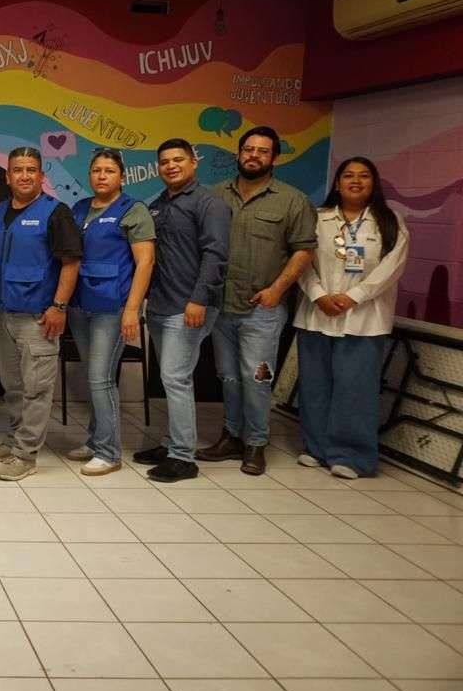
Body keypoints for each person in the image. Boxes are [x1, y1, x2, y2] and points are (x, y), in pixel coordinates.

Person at [198, 126, 316, 476]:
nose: (254, 156)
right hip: (222, 306)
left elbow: (304, 251)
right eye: (248, 149)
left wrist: (277, 290)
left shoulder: (292, 200)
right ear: (239, 154)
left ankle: (256, 442)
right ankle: (231, 436)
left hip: (262, 309)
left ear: (273, 158)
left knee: (257, 377)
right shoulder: (216, 195)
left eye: (262, 151)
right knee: (228, 377)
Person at [295, 157, 408, 479]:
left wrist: (353, 297)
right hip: (317, 314)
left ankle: (351, 456)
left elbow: (391, 268)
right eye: (348, 175)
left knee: (355, 390)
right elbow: (301, 261)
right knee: (315, 387)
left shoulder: (390, 222)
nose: (355, 181)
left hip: (364, 319)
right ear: (337, 183)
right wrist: (318, 294)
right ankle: (316, 448)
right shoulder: (318, 218)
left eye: (363, 176)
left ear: (374, 182)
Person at [0, 147, 83, 481]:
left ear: (41, 176)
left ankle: (26, 455)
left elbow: (71, 262)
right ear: (7, 176)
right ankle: (14, 439)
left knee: (36, 388)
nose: (24, 176)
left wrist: (59, 307)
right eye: (18, 170)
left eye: (31, 170)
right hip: (2, 314)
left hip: (38, 318)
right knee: (13, 385)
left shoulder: (55, 212)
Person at [133, 139, 231, 483]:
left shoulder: (209, 203)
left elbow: (216, 255)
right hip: (161, 304)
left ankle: (183, 457)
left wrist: (199, 299)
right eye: (164, 161)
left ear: (193, 162)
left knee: (176, 379)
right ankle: (171, 443)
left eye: (178, 159)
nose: (171, 166)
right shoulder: (157, 205)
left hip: (188, 306)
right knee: (171, 378)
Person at [66, 148, 155, 477]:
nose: (102, 176)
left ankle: (109, 452)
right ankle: (95, 441)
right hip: (80, 306)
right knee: (93, 377)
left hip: (112, 308)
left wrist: (132, 309)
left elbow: (145, 263)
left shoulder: (133, 210)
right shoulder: (78, 209)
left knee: (101, 379)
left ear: (122, 176)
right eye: (96, 170)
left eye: (109, 171)